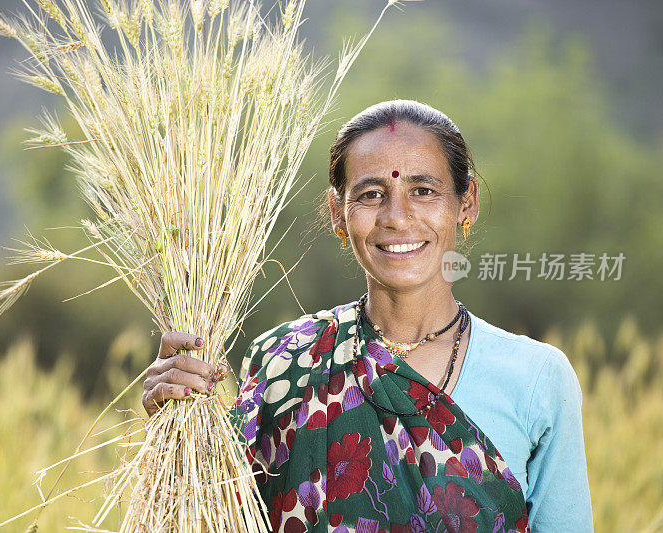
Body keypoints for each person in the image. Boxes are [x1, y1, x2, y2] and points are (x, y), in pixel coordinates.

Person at [142, 100, 593, 532]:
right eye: (372, 194)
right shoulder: (284, 362)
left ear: (466, 202)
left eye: (423, 190)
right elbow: (211, 519)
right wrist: (174, 436)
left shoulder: (537, 379)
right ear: (340, 215)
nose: (397, 218)